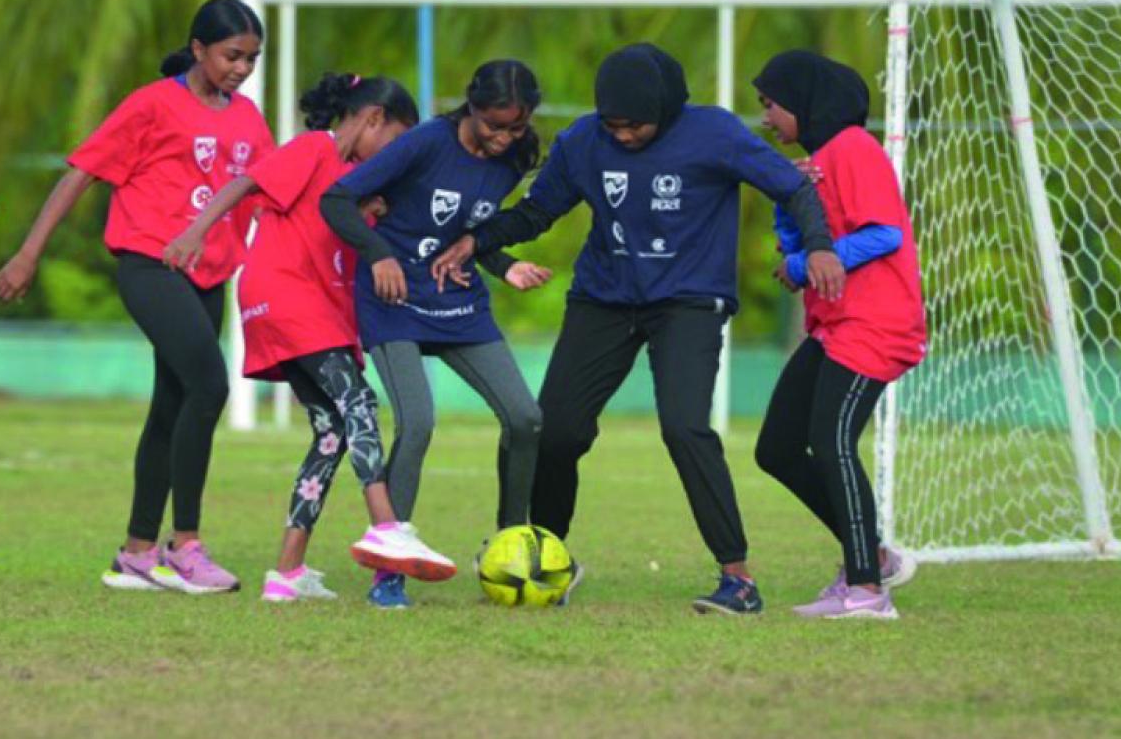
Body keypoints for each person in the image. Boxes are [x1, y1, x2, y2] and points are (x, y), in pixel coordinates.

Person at [432, 43, 843, 615]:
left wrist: (819, 246)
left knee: (684, 428)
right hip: (603, 299)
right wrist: (478, 240)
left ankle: (738, 578)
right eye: (613, 126)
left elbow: (794, 187)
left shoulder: (715, 134)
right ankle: (546, 560)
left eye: (636, 126)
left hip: (689, 302)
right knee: (558, 432)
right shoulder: (582, 141)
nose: (623, 137)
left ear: (667, 111)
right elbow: (536, 212)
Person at [0, 0, 274, 594]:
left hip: (207, 276)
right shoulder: (152, 104)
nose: (242, 68)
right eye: (232, 55)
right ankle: (185, 547)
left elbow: (273, 191)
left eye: (252, 58)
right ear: (198, 49)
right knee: (210, 385)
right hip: (151, 264)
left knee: (171, 407)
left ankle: (137, 553)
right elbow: (81, 172)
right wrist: (28, 252)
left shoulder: (249, 119)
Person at [163, 71, 457, 606]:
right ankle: (386, 527)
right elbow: (246, 183)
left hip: (314, 307)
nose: (390, 155)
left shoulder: (355, 178)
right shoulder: (313, 148)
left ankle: (286, 573)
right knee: (361, 403)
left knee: (331, 432)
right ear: (372, 120)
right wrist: (195, 231)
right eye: (393, 140)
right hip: (288, 297)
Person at [319, 60, 552, 609]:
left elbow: (467, 230)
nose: (503, 138)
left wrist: (506, 265)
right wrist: (379, 254)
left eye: (514, 128)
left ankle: (510, 546)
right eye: (494, 124)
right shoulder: (425, 143)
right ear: (471, 106)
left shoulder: (516, 158)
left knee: (526, 417)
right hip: (394, 298)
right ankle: (389, 571)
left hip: (458, 300)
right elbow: (336, 200)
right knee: (418, 421)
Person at [750, 50, 927, 620]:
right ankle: (870, 553)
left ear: (804, 103)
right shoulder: (814, 163)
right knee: (776, 448)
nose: (766, 119)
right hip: (834, 325)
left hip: (877, 324)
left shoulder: (853, 146)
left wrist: (804, 266)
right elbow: (799, 244)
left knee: (830, 442)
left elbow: (884, 236)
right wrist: (789, 218)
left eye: (771, 106)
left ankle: (868, 590)